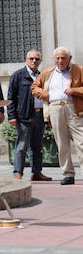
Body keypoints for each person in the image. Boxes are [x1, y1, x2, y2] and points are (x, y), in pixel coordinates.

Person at [31, 47, 83, 185]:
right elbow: (34, 87)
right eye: (58, 58)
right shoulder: (47, 72)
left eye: (63, 58)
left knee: (81, 141)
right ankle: (68, 174)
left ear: (69, 58)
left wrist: (75, 90)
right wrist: (47, 95)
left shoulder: (78, 70)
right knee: (62, 143)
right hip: (55, 108)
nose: (60, 61)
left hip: (73, 107)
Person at [6, 50, 51, 181]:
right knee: (21, 146)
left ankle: (36, 173)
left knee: (37, 147)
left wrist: (49, 118)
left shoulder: (43, 76)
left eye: (37, 59)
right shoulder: (18, 76)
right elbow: (10, 98)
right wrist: (11, 116)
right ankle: (17, 172)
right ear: (26, 60)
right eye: (31, 58)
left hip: (40, 116)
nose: (34, 61)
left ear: (40, 61)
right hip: (24, 117)